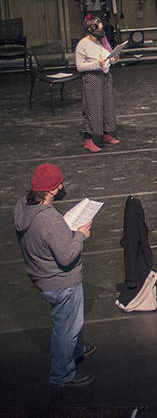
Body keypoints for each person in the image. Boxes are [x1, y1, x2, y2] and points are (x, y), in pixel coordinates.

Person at [13, 163, 95, 387]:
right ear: (50, 190)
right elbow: (67, 256)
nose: (61, 188)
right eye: (59, 185)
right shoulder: (49, 220)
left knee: (70, 323)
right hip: (61, 282)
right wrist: (79, 236)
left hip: (40, 274)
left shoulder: (22, 206)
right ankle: (62, 374)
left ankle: (77, 350)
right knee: (66, 329)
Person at [75, 14, 119, 153]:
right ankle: (88, 140)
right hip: (92, 78)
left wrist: (114, 59)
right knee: (92, 109)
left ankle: (106, 134)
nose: (100, 30)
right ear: (90, 28)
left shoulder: (102, 41)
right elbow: (80, 66)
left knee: (107, 106)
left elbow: (107, 59)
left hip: (105, 77)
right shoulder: (82, 45)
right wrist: (96, 64)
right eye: (97, 27)